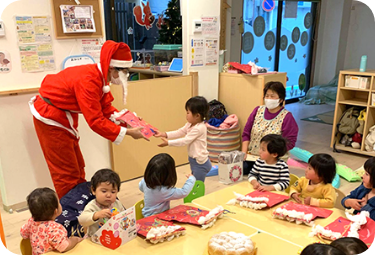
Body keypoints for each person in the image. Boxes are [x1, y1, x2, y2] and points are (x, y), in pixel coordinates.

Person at [29, 40, 147, 199]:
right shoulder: (89, 80)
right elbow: (96, 121)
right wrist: (128, 132)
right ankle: (70, 212)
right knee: (65, 171)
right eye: (124, 71)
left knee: (77, 165)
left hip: (63, 115)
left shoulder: (101, 77)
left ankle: (80, 202)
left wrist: (130, 120)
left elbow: (105, 108)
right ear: (112, 67)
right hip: (50, 117)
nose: (125, 76)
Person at [241, 81, 298, 175]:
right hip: (253, 157)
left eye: (272, 96)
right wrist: (244, 153)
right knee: (239, 171)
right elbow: (246, 133)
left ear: (280, 99)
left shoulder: (287, 117)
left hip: (273, 161)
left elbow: (290, 142)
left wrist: (272, 154)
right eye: (267, 96)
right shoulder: (257, 110)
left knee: (266, 178)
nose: (268, 99)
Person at [154, 96, 212, 182]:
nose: (186, 115)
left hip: (200, 162)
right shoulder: (190, 124)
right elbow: (180, 132)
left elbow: (185, 141)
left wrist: (169, 143)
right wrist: (164, 134)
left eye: (188, 112)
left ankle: (199, 194)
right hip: (193, 160)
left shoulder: (199, 128)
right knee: (194, 181)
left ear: (197, 115)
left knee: (197, 185)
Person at [20, 188, 82, 255]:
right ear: (56, 211)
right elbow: (64, 247)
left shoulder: (31, 222)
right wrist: (75, 240)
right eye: (58, 202)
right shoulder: (55, 228)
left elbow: (23, 234)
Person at [78, 169, 125, 237]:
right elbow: (81, 220)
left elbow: (124, 216)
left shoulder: (117, 204)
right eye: (104, 191)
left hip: (113, 236)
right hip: (95, 238)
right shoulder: (92, 206)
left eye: (113, 192)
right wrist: (96, 215)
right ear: (93, 190)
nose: (108, 195)